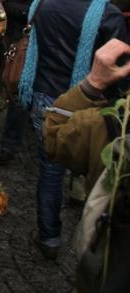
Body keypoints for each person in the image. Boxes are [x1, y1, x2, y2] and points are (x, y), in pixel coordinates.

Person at [18, 0, 127, 259]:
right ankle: (93, 242)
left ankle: (49, 238)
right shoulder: (106, 12)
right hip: (91, 103)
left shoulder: (44, 2)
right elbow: (119, 67)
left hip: (45, 96)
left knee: (49, 170)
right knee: (99, 172)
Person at [0, 0, 71, 166]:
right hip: (27, 45)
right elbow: (10, 5)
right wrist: (37, 10)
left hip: (58, 47)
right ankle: (8, 146)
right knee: (19, 95)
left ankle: (52, 147)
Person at [43, 38, 130, 193]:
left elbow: (54, 139)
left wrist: (94, 83)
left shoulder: (103, 122)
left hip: (70, 97)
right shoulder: (110, 17)